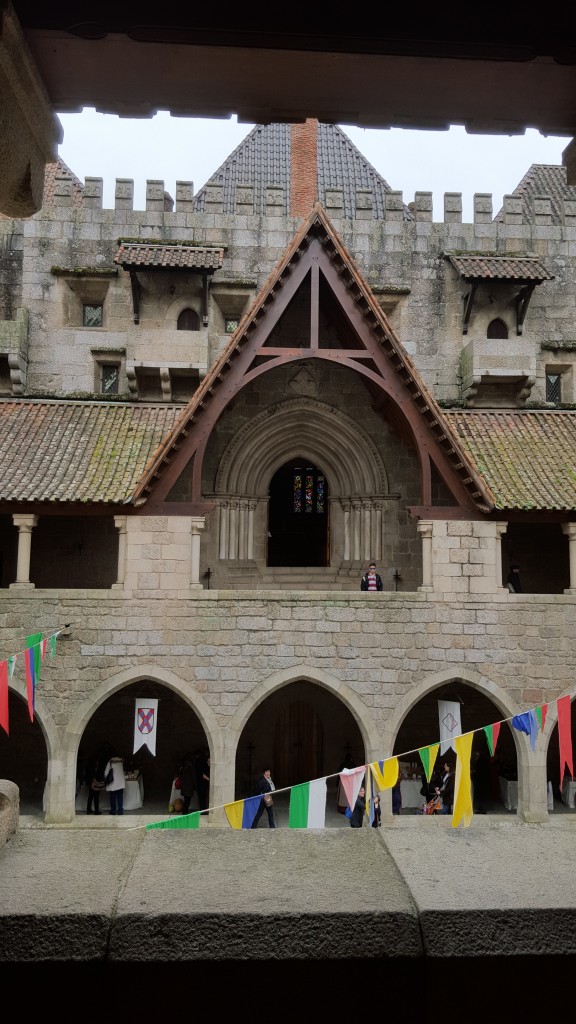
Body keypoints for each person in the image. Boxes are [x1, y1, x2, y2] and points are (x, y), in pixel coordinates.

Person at [85, 747, 108, 815]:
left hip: (90, 780)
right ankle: (96, 811)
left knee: (90, 796)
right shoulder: (100, 761)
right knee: (96, 796)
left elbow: (87, 770)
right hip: (96, 781)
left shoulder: (91, 760)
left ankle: (88, 810)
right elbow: (100, 771)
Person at [104, 751, 126, 815]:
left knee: (113, 798)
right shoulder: (121, 762)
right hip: (120, 782)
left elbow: (106, 773)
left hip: (113, 783)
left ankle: (113, 811)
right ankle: (120, 811)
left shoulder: (110, 762)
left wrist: (105, 778)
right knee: (120, 797)